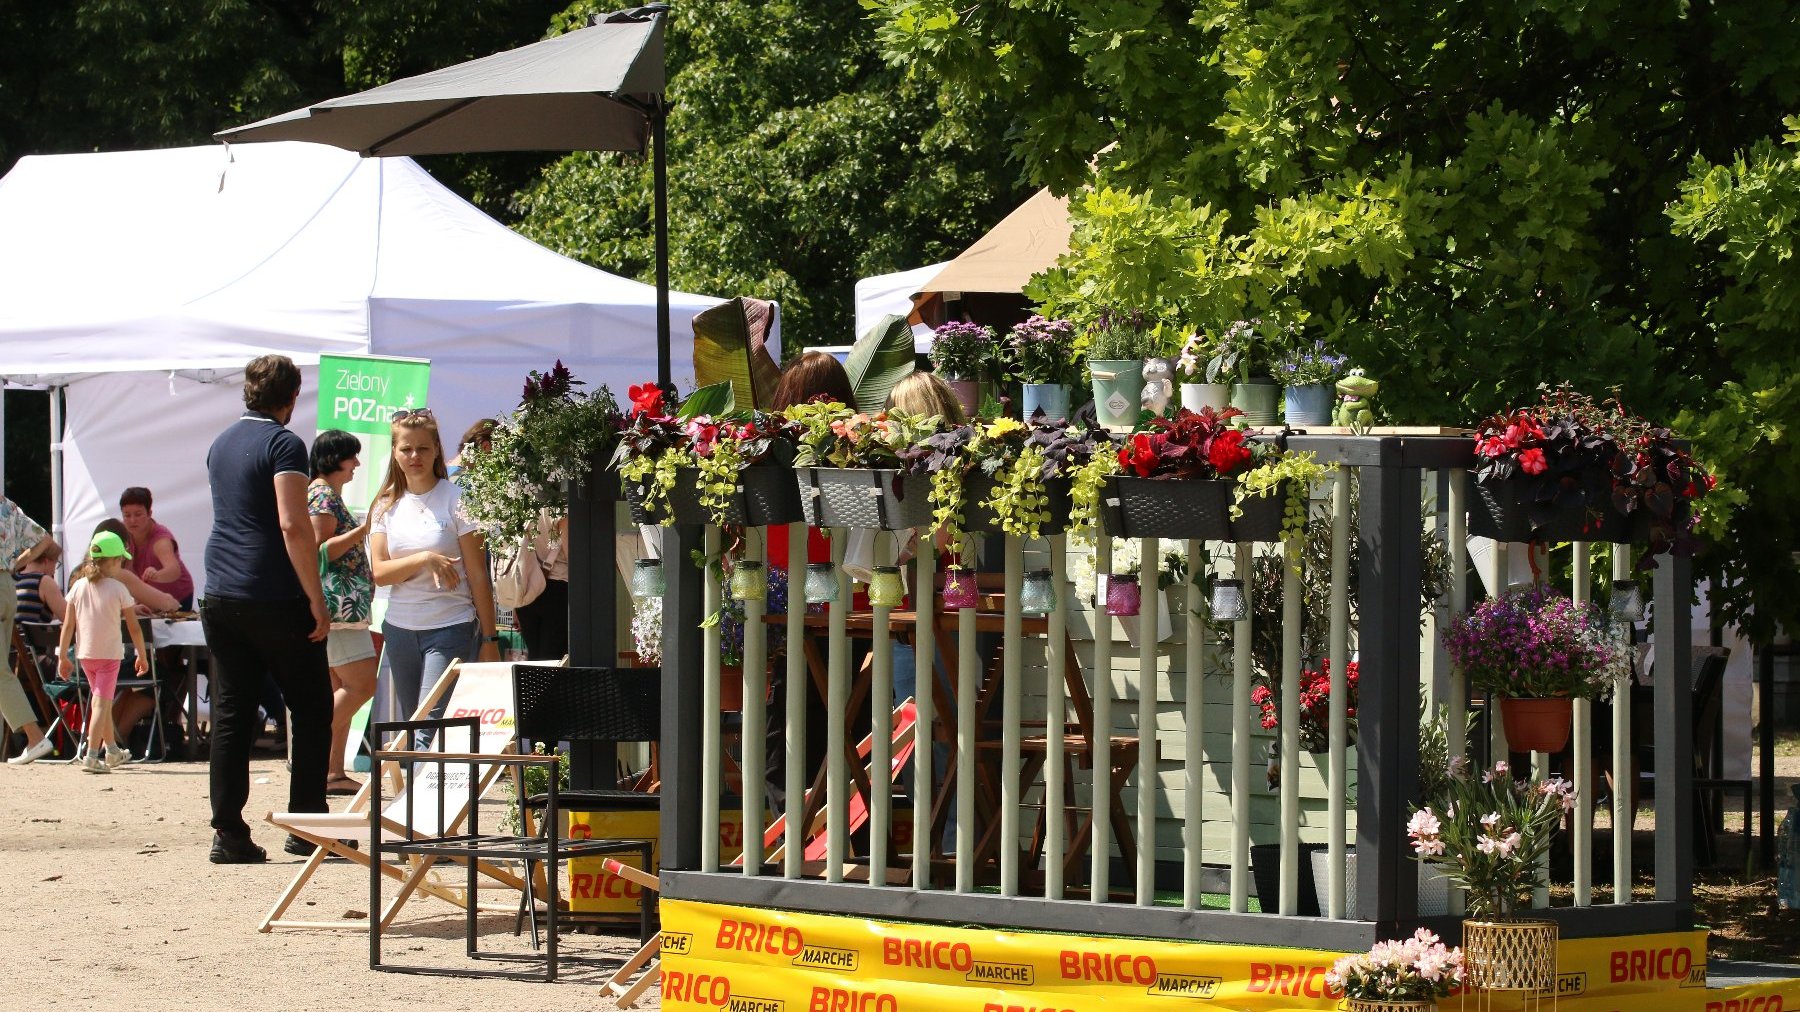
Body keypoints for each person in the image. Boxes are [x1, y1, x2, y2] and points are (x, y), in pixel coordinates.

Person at [201, 354, 333, 864]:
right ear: (292, 396)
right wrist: (315, 599)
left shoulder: (221, 442)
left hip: (221, 589)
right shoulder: (284, 443)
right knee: (311, 704)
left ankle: (228, 831)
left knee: (233, 711)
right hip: (272, 589)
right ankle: (306, 824)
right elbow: (292, 524)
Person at [369, 408, 501, 748]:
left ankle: (415, 800)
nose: (415, 456)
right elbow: (380, 573)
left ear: (436, 451)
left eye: (423, 449)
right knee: (414, 727)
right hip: (399, 630)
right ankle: (421, 798)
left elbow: (477, 575)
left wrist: (489, 640)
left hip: (450, 627)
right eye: (406, 448)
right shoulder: (385, 505)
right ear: (395, 453)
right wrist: (424, 559)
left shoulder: (457, 499)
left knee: (425, 729)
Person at [308, 429, 377, 795]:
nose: (356, 464)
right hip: (338, 608)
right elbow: (319, 551)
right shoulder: (321, 494)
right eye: (352, 457)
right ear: (335, 458)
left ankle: (330, 771)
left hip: (342, 607)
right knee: (362, 684)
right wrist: (362, 531)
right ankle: (310, 753)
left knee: (341, 688)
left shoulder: (325, 493)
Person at [58, 530, 149, 773]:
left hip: (85, 655)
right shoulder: (119, 589)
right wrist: (142, 654)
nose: (121, 564)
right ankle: (91, 755)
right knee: (101, 704)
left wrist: (61, 657)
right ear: (112, 562)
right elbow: (134, 628)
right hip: (109, 655)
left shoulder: (78, 586)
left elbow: (68, 625)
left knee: (102, 703)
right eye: (120, 560)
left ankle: (111, 750)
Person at [0, 496, 61, 766]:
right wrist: (15, 564)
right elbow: (45, 540)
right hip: (5, 586)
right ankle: (35, 737)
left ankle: (35, 737)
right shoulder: (6, 505)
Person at [119, 486, 195, 609]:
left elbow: (174, 570)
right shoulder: (120, 532)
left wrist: (156, 575)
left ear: (149, 513)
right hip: (147, 597)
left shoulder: (161, 540)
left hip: (178, 597)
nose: (132, 520)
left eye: (138, 514)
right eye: (127, 515)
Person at [511, 510, 569, 661]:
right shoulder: (560, 505)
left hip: (526, 588)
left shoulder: (520, 501)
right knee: (554, 660)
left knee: (534, 658)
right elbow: (574, 556)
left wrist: (515, 604)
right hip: (558, 586)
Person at [14, 539, 65, 624]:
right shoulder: (43, 581)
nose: (55, 571)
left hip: (12, 636)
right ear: (46, 561)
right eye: (56, 563)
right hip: (31, 637)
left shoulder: (14, 578)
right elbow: (68, 616)